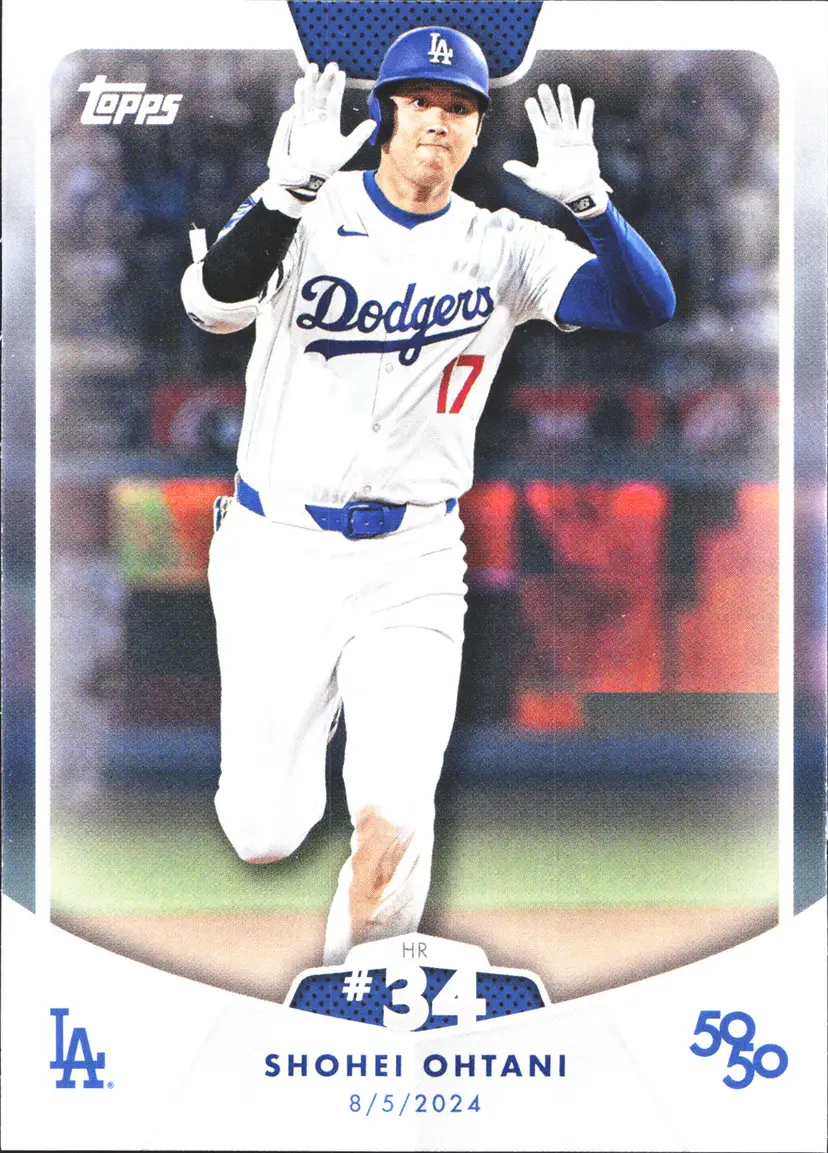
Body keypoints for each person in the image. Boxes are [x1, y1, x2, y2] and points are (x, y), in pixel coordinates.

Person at [181, 26, 675, 967]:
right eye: (419, 102)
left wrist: (593, 205)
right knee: (264, 830)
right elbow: (210, 303)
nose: (439, 122)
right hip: (278, 547)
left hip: (414, 561)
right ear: (385, 115)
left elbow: (645, 305)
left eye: (459, 107)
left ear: (477, 130)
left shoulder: (501, 245)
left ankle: (359, 1001)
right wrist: (284, 194)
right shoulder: (307, 211)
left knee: (397, 813)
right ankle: (321, 709)